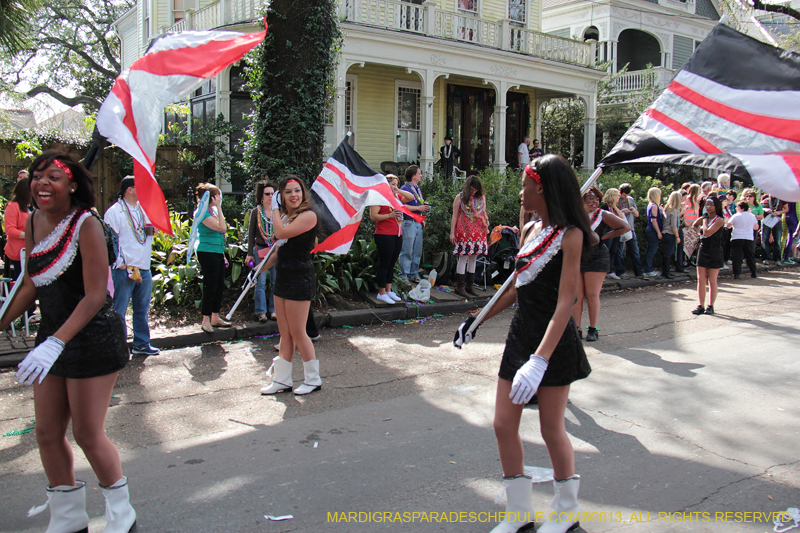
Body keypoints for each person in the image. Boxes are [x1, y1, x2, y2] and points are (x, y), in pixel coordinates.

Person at [454, 156, 592, 533]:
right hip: (520, 336)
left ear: (543, 187)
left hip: (553, 342)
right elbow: (514, 289)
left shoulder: (571, 235)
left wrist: (540, 360)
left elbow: (567, 301)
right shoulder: (531, 230)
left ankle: (566, 512)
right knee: (502, 424)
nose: (521, 190)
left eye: (526, 183)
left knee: (551, 429)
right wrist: (476, 321)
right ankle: (519, 512)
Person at [0, 152, 135, 533]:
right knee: (46, 433)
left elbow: (94, 296)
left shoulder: (87, 225)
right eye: (38, 177)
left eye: (53, 177)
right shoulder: (34, 221)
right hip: (52, 338)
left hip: (92, 336)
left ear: (72, 184)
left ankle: (122, 514)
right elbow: (29, 284)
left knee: (87, 433)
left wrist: (56, 342)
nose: (42, 183)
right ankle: (68, 517)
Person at [261, 175, 322, 396]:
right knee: (284, 332)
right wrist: (257, 271)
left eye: (297, 190)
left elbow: (280, 234)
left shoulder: (308, 216)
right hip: (283, 277)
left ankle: (313, 379)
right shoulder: (287, 217)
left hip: (299, 277)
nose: (293, 195)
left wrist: (275, 209)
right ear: (283, 196)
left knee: (298, 331)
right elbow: (277, 251)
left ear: (303, 193)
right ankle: (282, 380)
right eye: (288, 192)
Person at [104, 176, 159, 355]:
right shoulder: (115, 212)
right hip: (125, 268)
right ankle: (118, 346)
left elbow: (148, 232)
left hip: (143, 266)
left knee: (142, 308)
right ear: (130, 189)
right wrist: (118, 263)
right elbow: (110, 240)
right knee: (119, 309)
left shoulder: (143, 210)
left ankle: (141, 344)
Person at [573, 186, 629, 341]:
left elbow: (625, 227)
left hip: (597, 256)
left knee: (592, 295)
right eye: (591, 198)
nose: (595, 202)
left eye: (597, 199)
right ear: (582, 200)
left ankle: (593, 329)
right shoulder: (574, 215)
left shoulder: (602, 214)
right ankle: (576, 329)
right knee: (577, 296)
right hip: (577, 256)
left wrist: (604, 237)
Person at [370, 174, 414, 305]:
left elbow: (410, 197)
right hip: (384, 234)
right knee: (385, 263)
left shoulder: (395, 196)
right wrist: (389, 215)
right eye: (392, 184)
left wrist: (397, 190)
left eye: (396, 184)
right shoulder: (378, 196)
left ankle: (388, 290)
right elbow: (373, 216)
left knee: (392, 263)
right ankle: (381, 292)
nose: (395, 186)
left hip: (397, 233)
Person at [195, 183, 230, 333]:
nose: (220, 198)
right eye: (217, 196)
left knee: (219, 285)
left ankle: (215, 316)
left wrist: (223, 255)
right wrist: (220, 208)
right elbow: (222, 228)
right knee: (210, 285)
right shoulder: (202, 213)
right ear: (212, 197)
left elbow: (222, 232)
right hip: (207, 252)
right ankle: (205, 319)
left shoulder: (212, 211)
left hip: (217, 252)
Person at [450, 175, 489, 297]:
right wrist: (452, 232)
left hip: (478, 231)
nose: (474, 191)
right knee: (464, 257)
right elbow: (455, 216)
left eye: (476, 189)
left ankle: (469, 286)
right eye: (472, 189)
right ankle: (460, 286)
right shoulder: (460, 197)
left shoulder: (481, 198)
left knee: (474, 258)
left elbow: (483, 213)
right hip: (464, 230)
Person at [245, 180, 277, 322]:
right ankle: (261, 311)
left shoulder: (279, 211)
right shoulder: (255, 212)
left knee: (276, 281)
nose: (270, 196)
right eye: (267, 194)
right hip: (260, 249)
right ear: (261, 196)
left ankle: (274, 310)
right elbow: (251, 234)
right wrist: (250, 253)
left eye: (272, 193)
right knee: (260, 281)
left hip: (275, 250)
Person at [691, 195, 725, 315]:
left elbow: (707, 232)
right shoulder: (704, 218)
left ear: (716, 206)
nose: (708, 207)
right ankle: (700, 305)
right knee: (701, 279)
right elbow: (694, 225)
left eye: (711, 204)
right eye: (707, 204)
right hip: (703, 249)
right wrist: (698, 229)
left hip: (714, 251)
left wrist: (704, 221)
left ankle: (710, 306)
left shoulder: (719, 220)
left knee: (712, 280)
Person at [398, 165, 430, 282]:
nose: (421, 175)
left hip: (417, 222)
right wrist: (418, 209)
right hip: (408, 222)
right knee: (407, 250)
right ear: (413, 176)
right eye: (419, 173)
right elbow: (402, 206)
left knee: (417, 250)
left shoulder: (417, 188)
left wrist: (422, 218)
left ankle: (414, 273)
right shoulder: (405, 188)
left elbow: (418, 206)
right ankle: (403, 275)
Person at [617, 183, 646, 279]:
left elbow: (637, 215)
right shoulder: (617, 200)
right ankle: (620, 271)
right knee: (620, 251)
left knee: (635, 250)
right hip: (621, 229)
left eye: (626, 195)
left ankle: (639, 272)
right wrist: (622, 212)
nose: (625, 197)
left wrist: (633, 210)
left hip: (630, 228)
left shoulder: (630, 200)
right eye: (624, 195)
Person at [726, 201, 759, 279]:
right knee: (750, 256)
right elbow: (756, 227)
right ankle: (754, 272)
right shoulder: (752, 216)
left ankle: (736, 273)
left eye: (737, 207)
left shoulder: (736, 216)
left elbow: (728, 226)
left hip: (737, 237)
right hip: (748, 237)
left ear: (742, 208)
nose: (736, 208)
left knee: (737, 256)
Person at [600, 188, 625, 280]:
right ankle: (603, 271)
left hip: (615, 231)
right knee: (606, 251)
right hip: (608, 231)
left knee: (613, 251)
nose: (619, 197)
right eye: (617, 195)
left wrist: (615, 207)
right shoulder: (605, 207)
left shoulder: (615, 207)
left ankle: (610, 271)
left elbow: (621, 216)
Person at [761, 194, 788, 264]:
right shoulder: (765, 197)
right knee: (764, 239)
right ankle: (765, 258)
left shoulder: (781, 197)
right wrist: (766, 209)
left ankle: (777, 259)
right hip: (767, 220)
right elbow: (760, 207)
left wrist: (779, 212)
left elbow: (787, 208)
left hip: (777, 220)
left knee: (777, 240)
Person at [662, 191, 683, 280]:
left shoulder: (667, 208)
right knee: (669, 252)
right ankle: (666, 272)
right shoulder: (673, 210)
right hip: (670, 233)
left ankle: (666, 271)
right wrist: (677, 236)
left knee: (668, 252)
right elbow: (674, 225)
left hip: (666, 232)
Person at [643, 187, 664, 278]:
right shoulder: (654, 206)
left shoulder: (652, 204)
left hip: (651, 229)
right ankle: (648, 269)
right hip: (653, 230)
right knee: (652, 249)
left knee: (652, 249)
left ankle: (649, 268)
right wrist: (659, 232)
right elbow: (654, 220)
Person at [682, 184, 702, 266]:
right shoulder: (686, 200)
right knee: (686, 243)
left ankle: (690, 259)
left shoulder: (696, 200)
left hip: (694, 224)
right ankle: (685, 260)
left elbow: (696, 213)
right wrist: (685, 222)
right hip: (687, 224)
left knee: (693, 243)